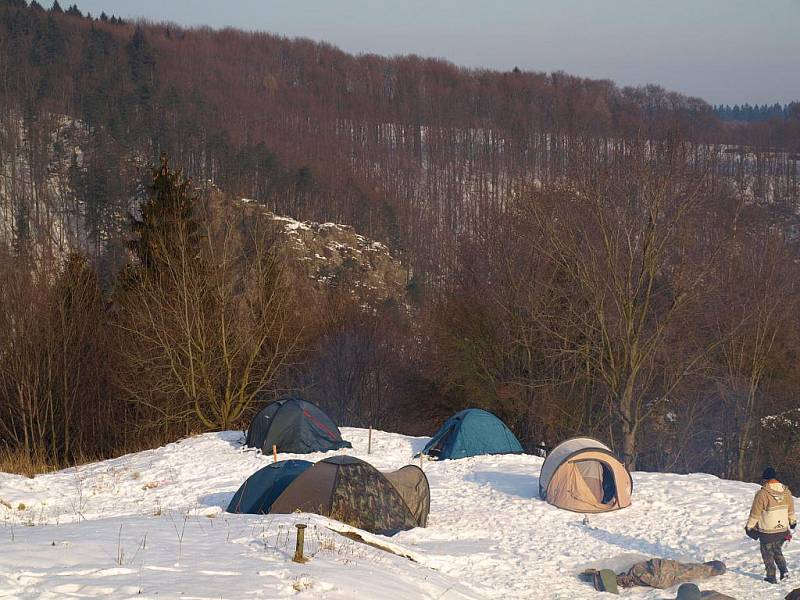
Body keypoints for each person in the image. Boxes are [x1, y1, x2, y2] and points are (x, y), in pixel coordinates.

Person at [745, 467, 797, 584]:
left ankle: (771, 577)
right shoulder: (787, 492)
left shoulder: (762, 494)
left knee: (767, 554)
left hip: (767, 531)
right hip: (782, 529)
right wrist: (792, 522)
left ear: (765, 479)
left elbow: (755, 513)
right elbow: (791, 510)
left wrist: (749, 527)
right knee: (777, 551)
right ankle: (784, 571)